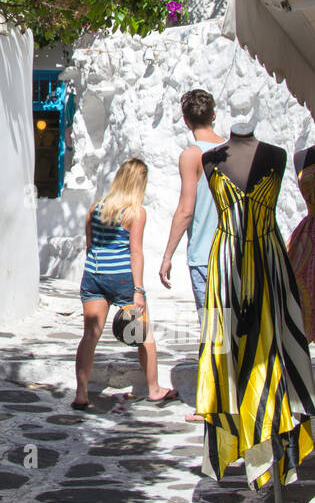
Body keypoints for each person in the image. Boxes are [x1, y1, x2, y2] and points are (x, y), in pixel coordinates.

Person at [73, 157, 178, 409]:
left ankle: (81, 393)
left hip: (94, 275)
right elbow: (135, 252)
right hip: (122, 278)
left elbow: (89, 245)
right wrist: (138, 290)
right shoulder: (135, 212)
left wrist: (97, 269)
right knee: (144, 336)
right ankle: (154, 389)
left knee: (90, 335)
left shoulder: (96, 207)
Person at [158, 89, 225, 422]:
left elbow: (186, 209)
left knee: (212, 330)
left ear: (186, 120)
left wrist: (167, 254)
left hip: (204, 254)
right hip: (236, 251)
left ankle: (211, 405)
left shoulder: (192, 155)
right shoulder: (236, 150)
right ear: (213, 115)